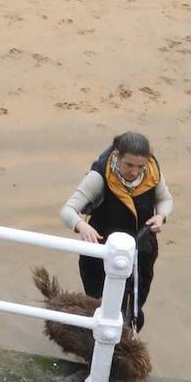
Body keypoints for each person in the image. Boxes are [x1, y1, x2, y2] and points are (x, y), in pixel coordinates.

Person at [58, 130, 171, 330]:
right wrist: (81, 225)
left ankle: (126, 339)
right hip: (100, 255)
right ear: (117, 155)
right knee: (101, 306)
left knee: (134, 305)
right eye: (129, 165)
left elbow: (165, 200)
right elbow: (67, 210)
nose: (135, 172)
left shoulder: (152, 174)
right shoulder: (100, 176)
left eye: (140, 166)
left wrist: (161, 216)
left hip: (141, 253)